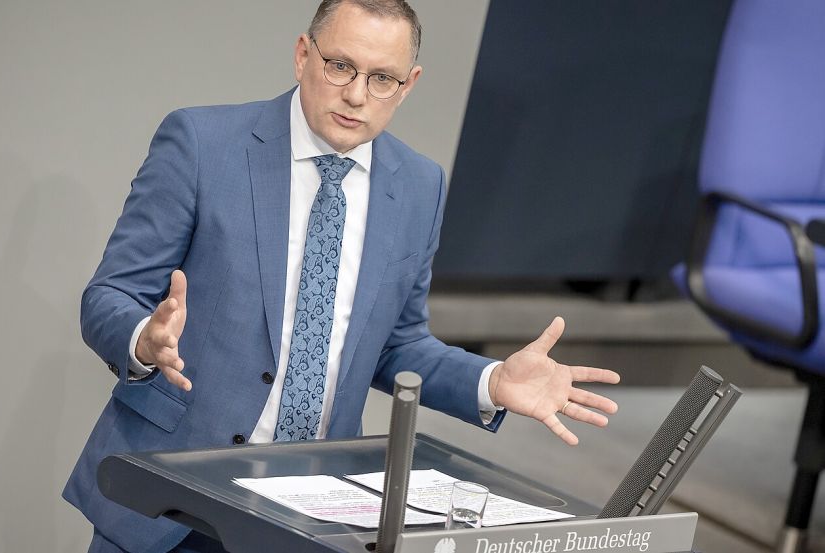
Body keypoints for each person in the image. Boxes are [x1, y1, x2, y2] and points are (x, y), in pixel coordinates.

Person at [64, 1, 621, 552]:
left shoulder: (420, 186)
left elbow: (396, 345)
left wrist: (491, 381)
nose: (357, 95)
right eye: (341, 67)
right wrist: (144, 339)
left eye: (382, 78)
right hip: (170, 498)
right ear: (303, 55)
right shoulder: (202, 144)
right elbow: (110, 295)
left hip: (308, 510)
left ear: (409, 84)